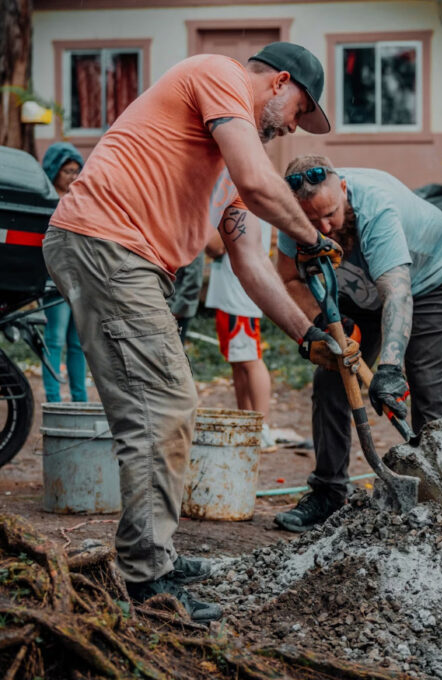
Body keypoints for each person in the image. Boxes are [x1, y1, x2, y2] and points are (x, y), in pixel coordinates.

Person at [43, 42, 344, 622]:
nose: (292, 128)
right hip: (108, 244)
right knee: (164, 408)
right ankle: (145, 577)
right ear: (278, 82)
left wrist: (307, 336)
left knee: (162, 408)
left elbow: (251, 263)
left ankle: (151, 555)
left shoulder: (229, 166)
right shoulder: (218, 74)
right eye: (299, 110)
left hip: (130, 259)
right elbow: (261, 184)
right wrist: (311, 234)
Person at [273, 155, 442, 533]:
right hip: (357, 292)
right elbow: (289, 278)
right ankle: (328, 493)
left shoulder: (377, 208)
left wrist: (390, 370)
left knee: (426, 388)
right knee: (330, 380)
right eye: (313, 222)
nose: (325, 227)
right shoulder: (292, 217)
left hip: (427, 284)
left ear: (342, 188)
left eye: (330, 214)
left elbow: (397, 294)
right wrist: (323, 324)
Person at [204, 205, 275, 447]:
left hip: (238, 293)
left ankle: (261, 428)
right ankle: (247, 423)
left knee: (250, 360)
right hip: (233, 291)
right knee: (239, 361)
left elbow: (214, 245)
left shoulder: (233, 196)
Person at [39, 142, 87, 403]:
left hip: (81, 282)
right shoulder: (46, 201)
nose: (73, 176)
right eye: (67, 171)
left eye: (77, 171)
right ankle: (54, 399)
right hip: (54, 283)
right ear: (54, 170)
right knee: (55, 340)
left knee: (79, 344)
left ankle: (80, 401)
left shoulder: (81, 201)